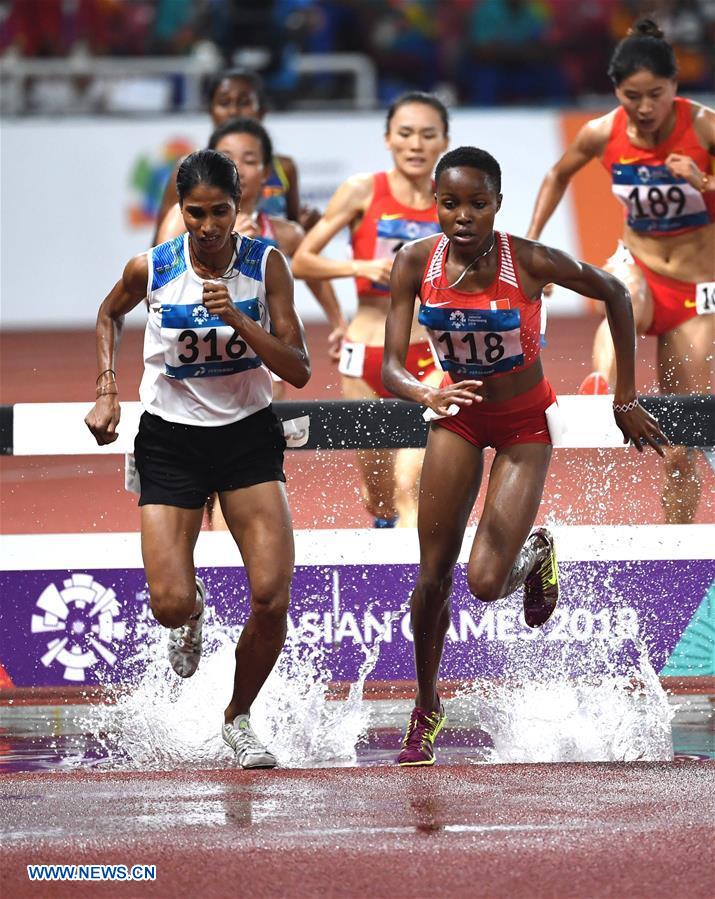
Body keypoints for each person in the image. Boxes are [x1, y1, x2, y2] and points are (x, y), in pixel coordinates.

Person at [382, 146, 668, 767]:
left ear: (498, 205)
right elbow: (388, 367)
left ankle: (533, 553)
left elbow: (616, 293)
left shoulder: (529, 261)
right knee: (432, 575)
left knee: (484, 582)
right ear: (436, 203)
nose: (463, 217)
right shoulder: (412, 262)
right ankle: (426, 709)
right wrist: (426, 390)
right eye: (451, 203)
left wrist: (626, 394)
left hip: (522, 424)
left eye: (478, 204)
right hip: (456, 418)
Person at [84, 149, 311, 769]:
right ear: (179, 210)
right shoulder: (152, 268)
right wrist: (107, 389)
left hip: (246, 437)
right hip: (171, 440)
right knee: (169, 604)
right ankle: (192, 614)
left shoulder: (267, 266)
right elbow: (108, 314)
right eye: (195, 213)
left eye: (220, 212)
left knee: (270, 598)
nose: (208, 227)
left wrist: (238, 316)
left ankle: (238, 718)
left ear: (239, 208)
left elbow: (298, 367)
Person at [526, 19, 714, 523]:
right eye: (633, 96)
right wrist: (532, 243)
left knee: (681, 443)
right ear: (616, 91)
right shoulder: (601, 132)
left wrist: (705, 179)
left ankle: (680, 549)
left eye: (657, 94)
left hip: (698, 291)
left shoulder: (703, 126)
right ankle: (599, 382)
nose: (646, 107)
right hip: (641, 265)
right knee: (619, 291)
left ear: (675, 87)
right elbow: (556, 174)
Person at [292, 91, 449, 528]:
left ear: (444, 142)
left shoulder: (450, 198)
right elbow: (303, 260)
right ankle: (384, 527)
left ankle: (422, 591)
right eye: (405, 133)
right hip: (365, 359)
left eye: (427, 135)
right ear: (388, 139)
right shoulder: (363, 190)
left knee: (409, 484)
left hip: (431, 357)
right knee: (382, 498)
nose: (415, 144)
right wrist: (364, 267)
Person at [157, 117, 304, 530]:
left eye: (249, 158)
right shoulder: (182, 226)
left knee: (233, 501)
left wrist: (335, 321)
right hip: (185, 392)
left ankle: (231, 579)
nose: (208, 224)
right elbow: (159, 281)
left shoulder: (274, 235)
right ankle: (196, 585)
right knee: (195, 501)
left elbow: (304, 263)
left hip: (252, 379)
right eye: (229, 157)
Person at [154, 66, 337, 333]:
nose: (233, 111)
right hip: (203, 298)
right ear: (210, 110)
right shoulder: (189, 171)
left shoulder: (282, 169)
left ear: (261, 110)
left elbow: (295, 238)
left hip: (258, 294)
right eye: (224, 103)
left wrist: (309, 229)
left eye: (244, 102)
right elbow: (160, 249)